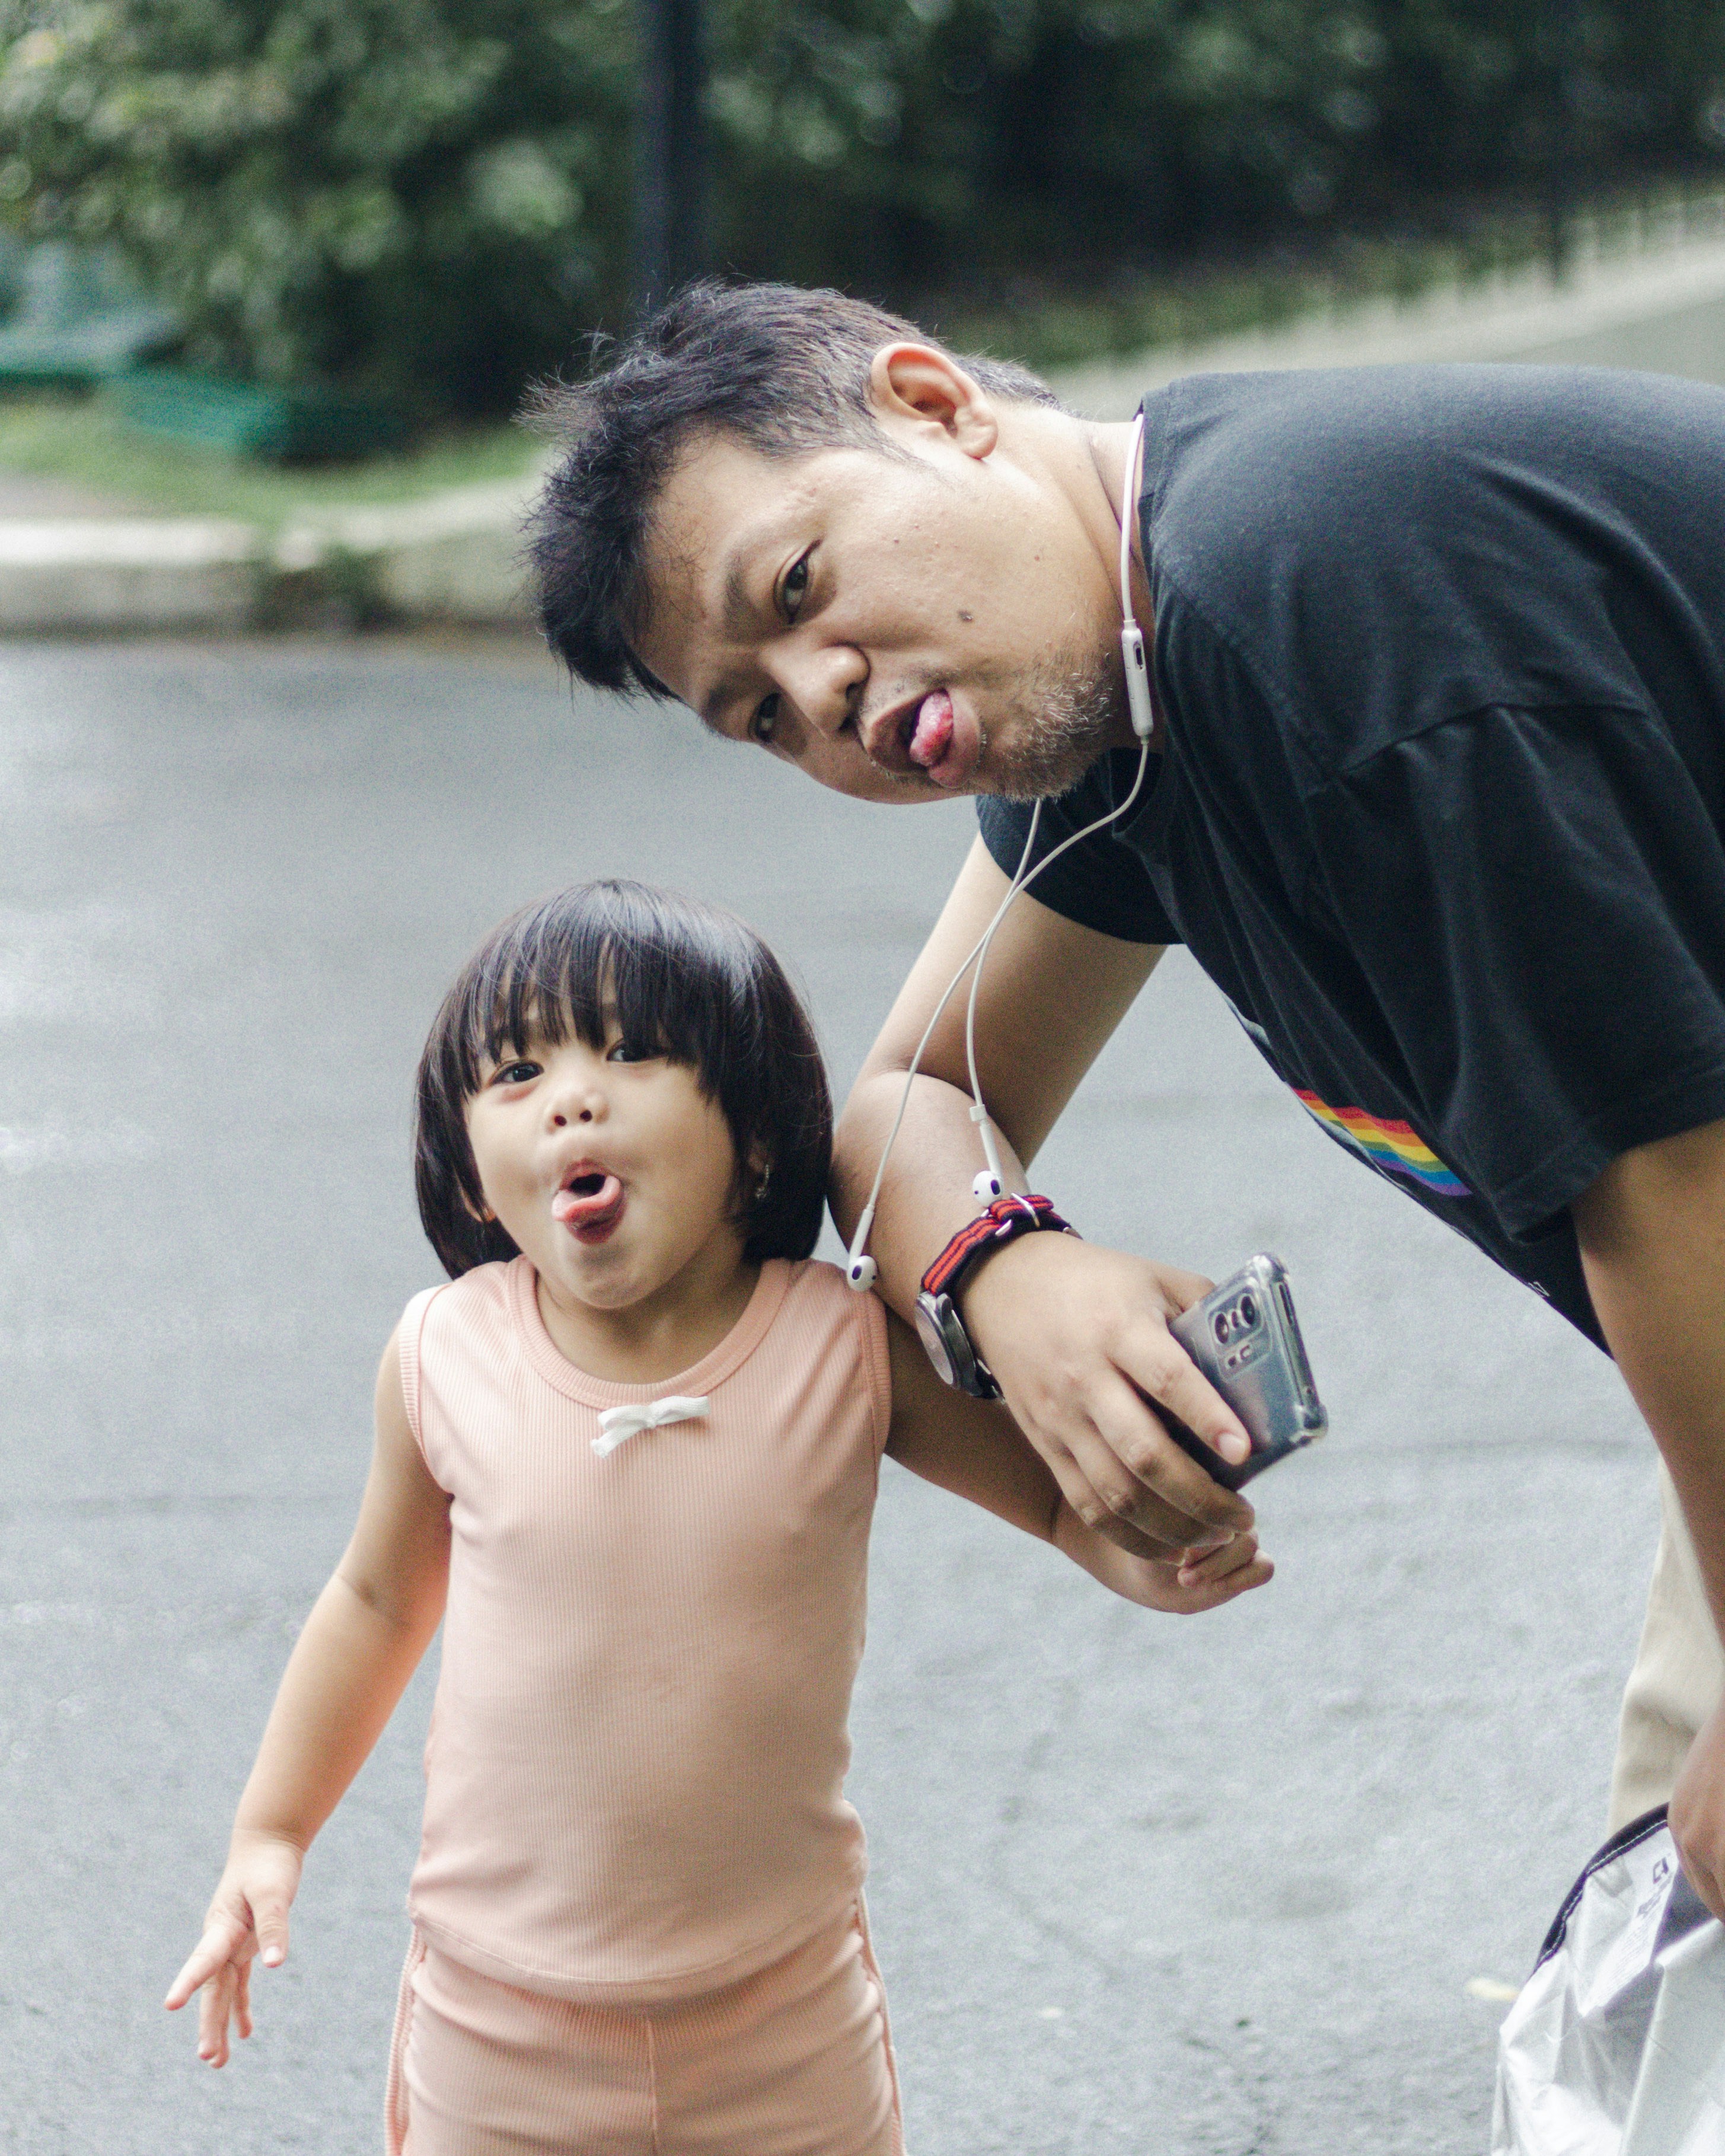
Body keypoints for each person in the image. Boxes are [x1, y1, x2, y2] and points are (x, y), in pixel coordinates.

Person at [524, 281, 1725, 1922]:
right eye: (762, 714)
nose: (829, 697)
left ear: (931, 400)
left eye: (798, 586)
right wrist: (1001, 1261)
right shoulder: (1126, 695)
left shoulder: (1308, 592)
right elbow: (903, 1096)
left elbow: (1664, 1174)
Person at [163, 878, 1268, 2155]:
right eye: (517, 1072)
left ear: (753, 1139)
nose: (574, 1093)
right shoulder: (441, 1357)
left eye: (632, 1053)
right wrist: (270, 1832)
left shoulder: (843, 1343)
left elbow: (1064, 1514)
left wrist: (1154, 1559)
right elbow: (375, 1599)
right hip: (500, 2025)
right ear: (470, 1177)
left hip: (781, 2021)